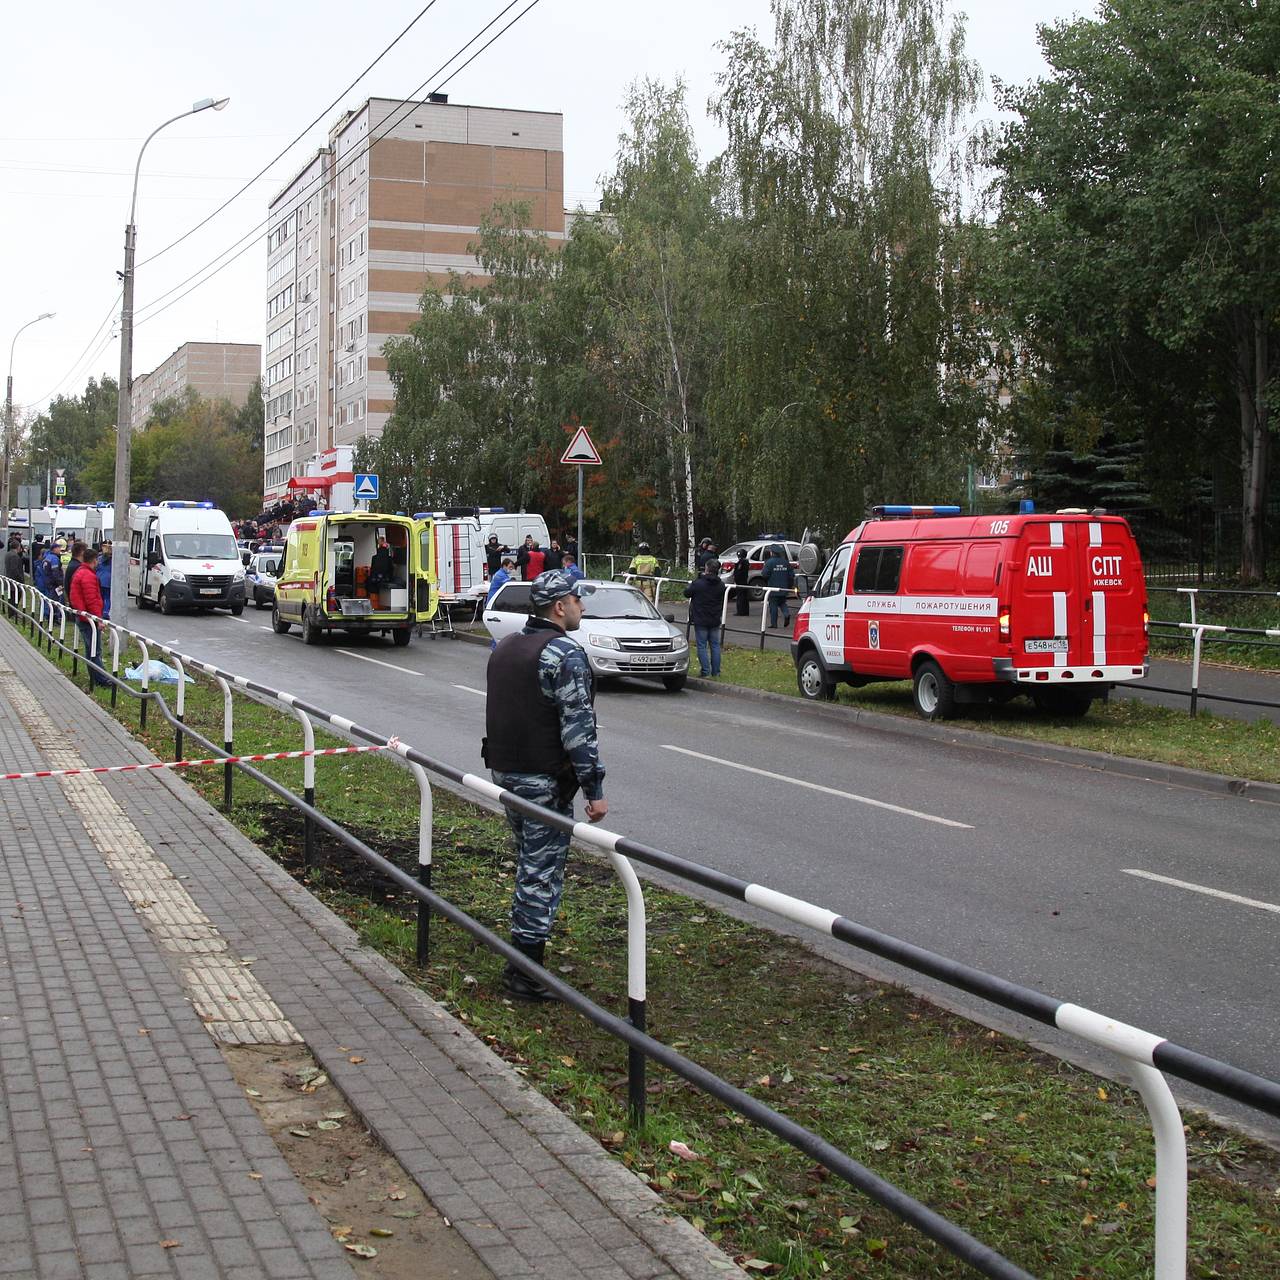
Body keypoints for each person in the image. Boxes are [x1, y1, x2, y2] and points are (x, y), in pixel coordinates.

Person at [482, 570, 607, 1001]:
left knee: (528, 864)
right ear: (559, 606)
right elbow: (580, 732)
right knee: (540, 873)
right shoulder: (565, 655)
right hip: (544, 780)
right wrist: (594, 791)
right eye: (577, 600)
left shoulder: (505, 648)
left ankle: (525, 961)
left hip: (504, 772)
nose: (582, 608)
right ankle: (526, 974)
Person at [69, 547, 110, 689]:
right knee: (95, 651)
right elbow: (92, 600)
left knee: (90, 650)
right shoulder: (88, 576)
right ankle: (102, 679)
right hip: (89, 619)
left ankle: (96, 677)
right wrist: (98, 620)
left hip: (83, 617)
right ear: (95, 560)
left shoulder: (80, 572)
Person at [683, 556, 727, 677]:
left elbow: (687, 593)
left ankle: (705, 671)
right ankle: (716, 672)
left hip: (700, 617)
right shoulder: (721, 585)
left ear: (707, 569)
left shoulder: (698, 584)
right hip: (714, 618)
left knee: (702, 645)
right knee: (715, 645)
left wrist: (697, 579)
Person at [764, 545, 795, 628]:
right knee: (782, 603)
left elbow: (764, 575)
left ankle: (774, 624)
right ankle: (786, 614)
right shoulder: (785, 562)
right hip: (784, 588)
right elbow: (791, 575)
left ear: (772, 553)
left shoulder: (769, 562)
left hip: (773, 588)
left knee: (773, 606)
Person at [731, 548, 751, 616]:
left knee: (740, 597)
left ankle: (741, 611)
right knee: (744, 597)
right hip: (744, 581)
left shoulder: (741, 562)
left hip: (740, 582)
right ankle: (745, 611)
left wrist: (735, 579)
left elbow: (738, 573)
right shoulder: (746, 562)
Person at [95, 542, 113, 617]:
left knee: (101, 597)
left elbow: (95, 568)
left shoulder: (99, 558)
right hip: (108, 581)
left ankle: (101, 611)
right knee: (107, 597)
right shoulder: (113, 560)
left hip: (99, 579)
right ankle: (105, 612)